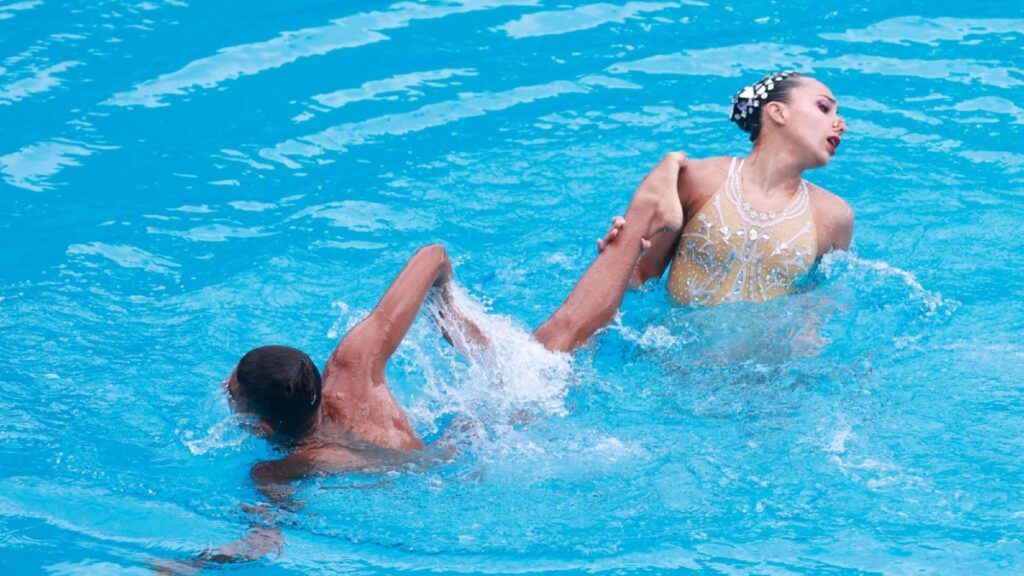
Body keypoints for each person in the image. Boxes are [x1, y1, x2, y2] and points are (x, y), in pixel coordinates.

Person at [156, 152, 686, 573]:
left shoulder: (282, 467)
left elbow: (262, 541)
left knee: (566, 341)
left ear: (263, 425)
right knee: (560, 339)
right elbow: (432, 256)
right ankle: (649, 229)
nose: (225, 392)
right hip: (490, 424)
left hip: (484, 459)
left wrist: (193, 564)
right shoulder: (352, 366)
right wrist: (454, 319)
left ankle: (650, 218)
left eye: (232, 394)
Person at [599, 71, 853, 306]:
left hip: (773, 357)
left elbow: (815, 305)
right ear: (777, 112)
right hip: (676, 354)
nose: (840, 125)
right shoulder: (698, 180)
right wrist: (618, 261)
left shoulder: (833, 216)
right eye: (824, 108)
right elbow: (642, 279)